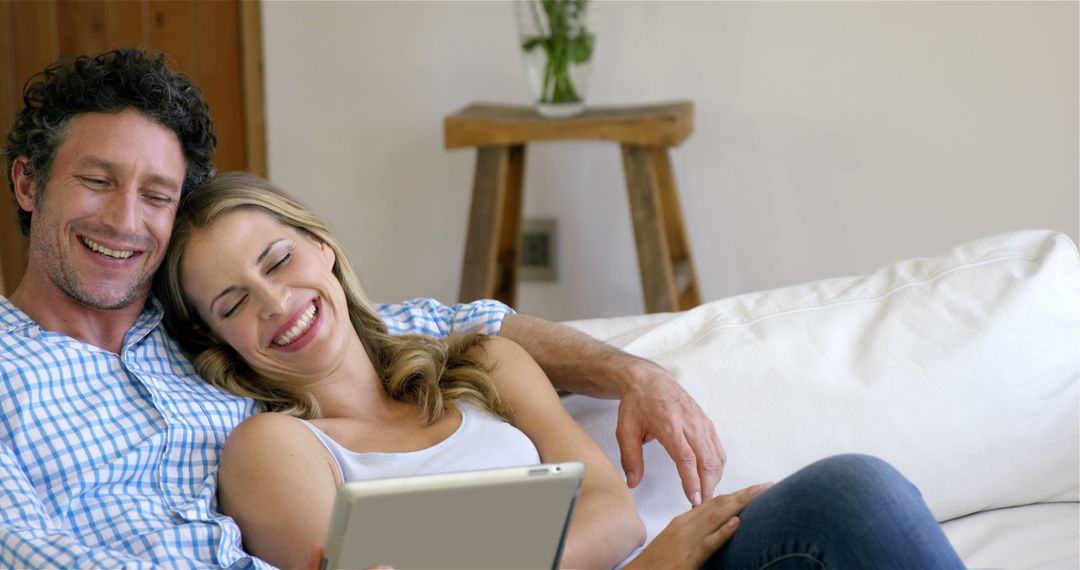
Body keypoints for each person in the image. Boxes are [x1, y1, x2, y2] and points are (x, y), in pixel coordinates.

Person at [0, 48, 722, 568]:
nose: (127, 221)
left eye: (156, 195)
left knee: (828, 499)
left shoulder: (193, 336)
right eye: (96, 181)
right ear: (29, 184)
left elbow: (423, 327)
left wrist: (631, 372)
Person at [158, 172, 967, 570]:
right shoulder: (275, 449)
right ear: (220, 339)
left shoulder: (481, 361)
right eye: (234, 302)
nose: (276, 303)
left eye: (279, 260)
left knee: (856, 492)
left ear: (322, 247)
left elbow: (615, 520)